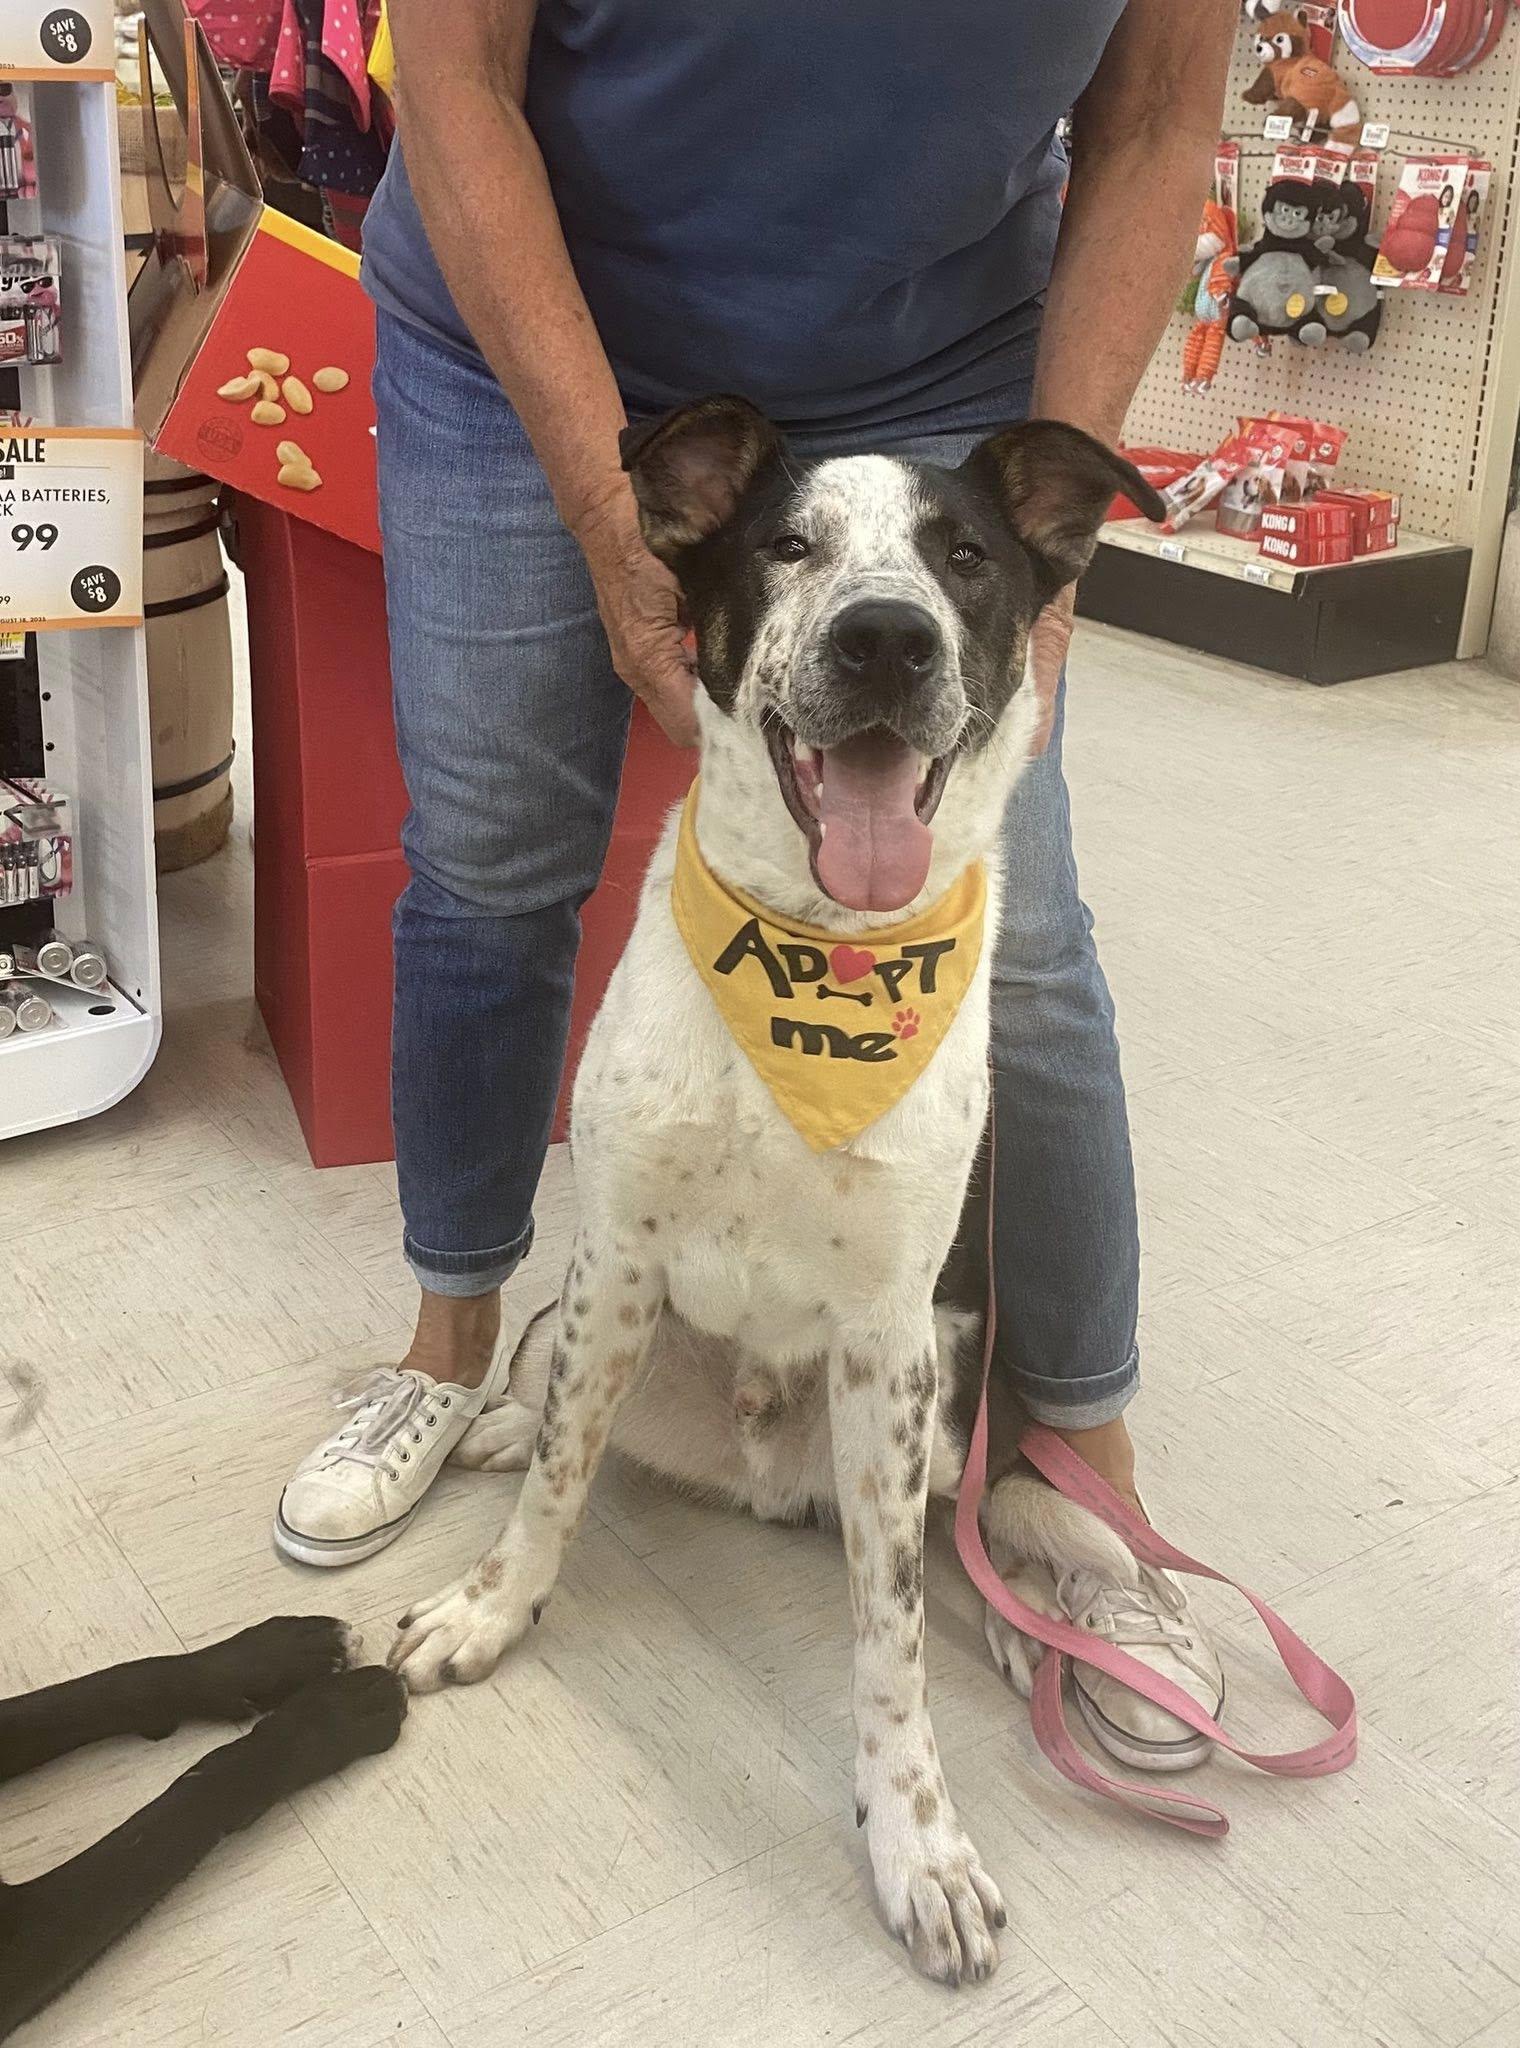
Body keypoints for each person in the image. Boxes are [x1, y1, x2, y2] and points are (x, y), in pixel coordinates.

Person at [276, 0, 1236, 1768]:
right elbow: (461, 79)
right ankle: (452, 1344)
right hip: (522, 329)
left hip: (930, 357)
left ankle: (1075, 1477)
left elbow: (1167, 111)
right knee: (492, 854)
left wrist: (1045, 557)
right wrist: (610, 520)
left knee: (1028, 949)